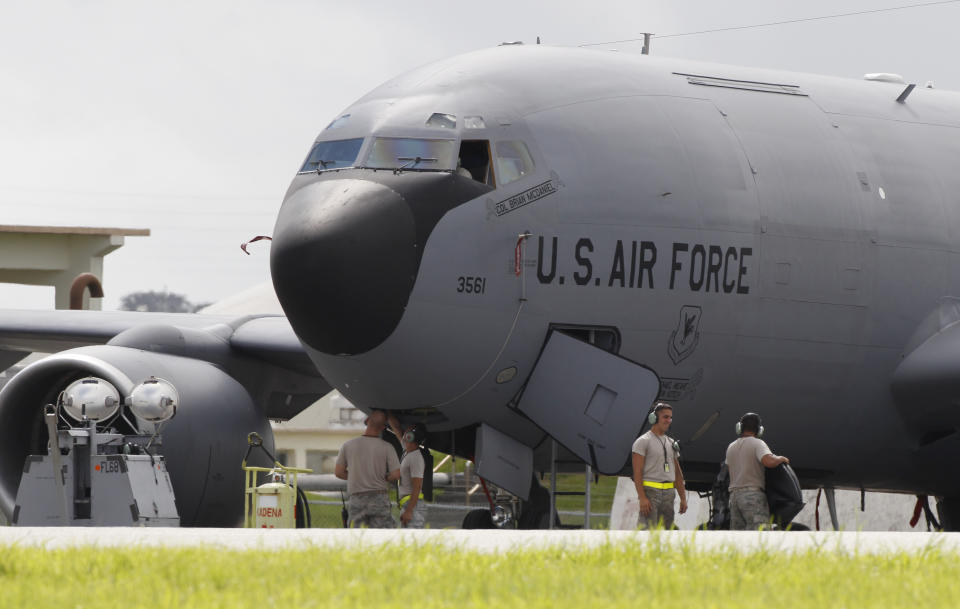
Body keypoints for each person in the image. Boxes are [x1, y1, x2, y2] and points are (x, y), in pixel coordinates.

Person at [334, 409, 401, 528]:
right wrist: (385, 477)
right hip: (379, 497)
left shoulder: (348, 445)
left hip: (357, 497)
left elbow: (339, 472)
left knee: (357, 536)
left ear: (367, 421)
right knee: (383, 535)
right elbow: (396, 474)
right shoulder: (387, 447)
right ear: (383, 427)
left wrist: (356, 475)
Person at [725, 412, 790, 530]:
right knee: (760, 535)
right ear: (759, 430)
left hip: (734, 497)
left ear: (739, 428)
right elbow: (768, 461)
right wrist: (780, 458)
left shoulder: (731, 446)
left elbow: (730, 469)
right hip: (752, 496)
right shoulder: (758, 443)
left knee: (738, 537)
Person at [632, 402, 687, 529]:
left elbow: (677, 473)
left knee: (666, 532)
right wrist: (642, 498)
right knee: (646, 531)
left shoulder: (671, 443)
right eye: (665, 417)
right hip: (651, 494)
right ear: (654, 418)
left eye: (670, 417)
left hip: (669, 495)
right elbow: (637, 472)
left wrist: (683, 498)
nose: (669, 420)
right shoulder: (642, 442)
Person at [388, 415, 428, 528]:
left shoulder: (416, 458)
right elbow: (396, 429)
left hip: (413, 506)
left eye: (407, 432)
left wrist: (409, 511)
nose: (404, 433)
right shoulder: (408, 451)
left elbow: (417, 486)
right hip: (408, 504)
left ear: (411, 436)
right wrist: (388, 413)